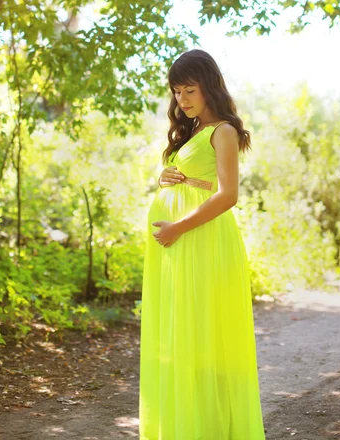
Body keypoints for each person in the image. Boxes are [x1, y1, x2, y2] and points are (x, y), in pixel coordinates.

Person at [139, 49, 266, 440]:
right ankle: (184, 425)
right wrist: (169, 180)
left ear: (209, 87)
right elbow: (199, 179)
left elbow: (228, 195)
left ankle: (210, 429)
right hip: (178, 245)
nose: (182, 100)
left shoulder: (222, 131)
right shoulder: (191, 131)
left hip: (201, 240)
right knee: (179, 335)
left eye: (189, 90)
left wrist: (177, 226)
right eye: (177, 92)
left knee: (202, 334)